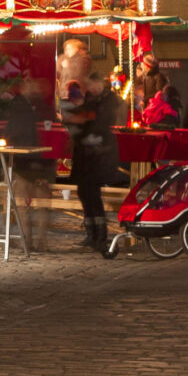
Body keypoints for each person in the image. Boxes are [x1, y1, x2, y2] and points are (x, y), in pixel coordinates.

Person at [64, 70, 123, 256]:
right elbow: (83, 116)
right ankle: (91, 233)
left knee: (93, 195)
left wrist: (83, 118)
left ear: (99, 85)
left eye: (91, 86)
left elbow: (102, 121)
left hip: (98, 154)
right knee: (84, 193)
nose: (89, 89)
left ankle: (101, 236)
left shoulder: (109, 100)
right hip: (85, 153)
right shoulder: (92, 100)